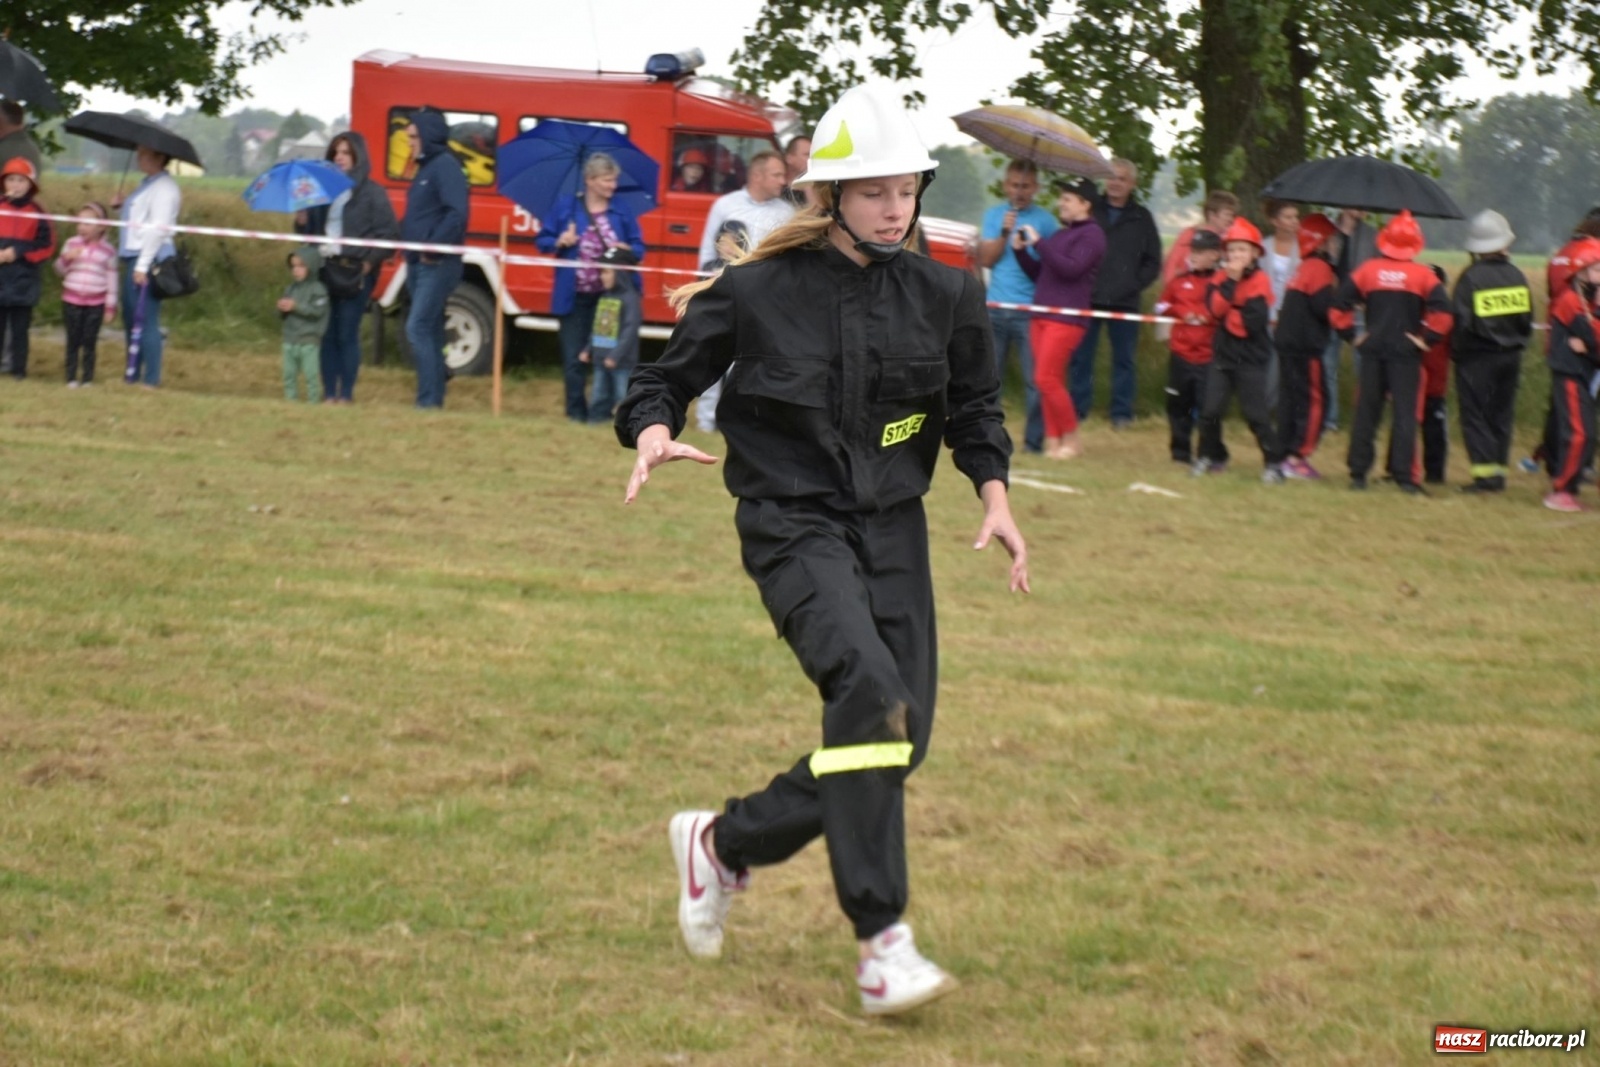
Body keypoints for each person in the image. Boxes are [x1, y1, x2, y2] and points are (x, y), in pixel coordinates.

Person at [614, 84, 1027, 1017]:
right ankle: (882, 942)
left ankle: (723, 845)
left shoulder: (950, 293)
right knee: (872, 700)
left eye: (907, 192)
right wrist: (649, 428)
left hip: (894, 529)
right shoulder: (754, 288)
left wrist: (995, 498)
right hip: (791, 522)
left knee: (897, 739)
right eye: (874, 191)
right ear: (830, 194)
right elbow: (662, 378)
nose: (895, 208)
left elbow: (975, 413)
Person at [1330, 211, 1453, 494]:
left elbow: (1338, 306)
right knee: (1405, 416)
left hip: (1372, 350)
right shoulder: (1423, 275)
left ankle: (1358, 474)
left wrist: (1352, 336)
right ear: (1415, 244)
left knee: (1366, 413)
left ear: (1384, 240)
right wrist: (1426, 340)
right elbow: (1444, 314)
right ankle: (1404, 478)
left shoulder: (1368, 270)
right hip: (1406, 353)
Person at [537, 153, 646, 422]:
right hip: (573, 297)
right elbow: (542, 240)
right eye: (607, 180)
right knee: (574, 358)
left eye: (614, 180)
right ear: (590, 180)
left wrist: (628, 250)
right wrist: (560, 240)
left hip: (609, 299)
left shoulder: (620, 210)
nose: (613, 186)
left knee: (606, 357)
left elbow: (640, 248)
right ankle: (575, 413)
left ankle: (602, 414)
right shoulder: (567, 207)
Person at [693, 150, 796, 432]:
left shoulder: (787, 214)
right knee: (716, 354)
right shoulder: (725, 206)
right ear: (757, 175)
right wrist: (706, 287)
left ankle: (748, 421)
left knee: (757, 361)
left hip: (768, 301)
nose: (783, 181)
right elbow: (707, 250)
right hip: (728, 294)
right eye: (776, 174)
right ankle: (706, 422)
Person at [298, 131, 399, 404]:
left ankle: (347, 394)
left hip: (356, 273)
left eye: (345, 153)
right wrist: (302, 218)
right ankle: (329, 393)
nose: (339, 158)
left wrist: (368, 263)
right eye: (336, 153)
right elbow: (309, 233)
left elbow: (388, 235)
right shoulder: (322, 190)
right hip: (325, 269)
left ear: (357, 156)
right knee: (327, 332)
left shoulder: (373, 193)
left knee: (347, 332)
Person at [1012, 176, 1104, 459]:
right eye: (1061, 198)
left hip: (1066, 319)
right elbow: (1043, 275)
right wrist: (1021, 253)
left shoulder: (1093, 235)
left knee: (1046, 378)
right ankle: (1054, 441)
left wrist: (1039, 244)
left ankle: (1072, 440)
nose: (1060, 204)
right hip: (1042, 312)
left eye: (1067, 199)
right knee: (1047, 381)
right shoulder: (1062, 235)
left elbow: (1071, 270)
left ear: (1085, 204)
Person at [1070, 158, 1161, 427]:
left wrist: (1133, 284)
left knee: (1124, 361)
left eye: (1122, 178)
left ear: (1132, 184)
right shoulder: (1089, 211)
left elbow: (1153, 261)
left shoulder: (1141, 217)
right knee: (1081, 358)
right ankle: (1078, 410)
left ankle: (1121, 413)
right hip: (1088, 297)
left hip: (1125, 302)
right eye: (1111, 177)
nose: (1115, 183)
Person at [1194, 218, 1286, 482]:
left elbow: (1250, 325)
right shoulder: (1221, 277)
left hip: (1251, 357)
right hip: (1223, 355)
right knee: (1210, 411)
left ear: (1255, 253)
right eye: (1232, 250)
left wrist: (1229, 308)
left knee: (1255, 415)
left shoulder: (1261, 281)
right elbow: (1214, 310)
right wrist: (1231, 287)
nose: (1235, 256)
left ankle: (1273, 463)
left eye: (1241, 250)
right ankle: (1208, 456)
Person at [978, 158, 1058, 454]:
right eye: (1014, 185)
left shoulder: (1047, 222)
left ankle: (1033, 443)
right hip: (995, 309)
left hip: (1030, 312)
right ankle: (990, 439)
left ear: (1036, 187)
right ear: (1005, 185)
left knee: (1034, 382)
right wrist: (1003, 233)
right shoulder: (994, 215)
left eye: (1025, 186)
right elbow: (985, 259)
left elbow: (1051, 265)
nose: (1019, 191)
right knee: (989, 381)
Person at [399, 108, 468, 409]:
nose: (409, 141)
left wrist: (433, 246)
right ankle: (437, 383)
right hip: (416, 262)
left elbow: (458, 214)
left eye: (413, 136)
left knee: (418, 327)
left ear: (428, 135)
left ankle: (428, 401)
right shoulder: (424, 168)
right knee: (432, 327)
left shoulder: (445, 167)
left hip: (435, 263)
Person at [1274, 212, 1340, 479]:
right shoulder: (1320, 269)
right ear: (1321, 242)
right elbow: (1324, 308)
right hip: (1306, 347)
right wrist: (1344, 303)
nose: (1335, 245)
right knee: (1316, 402)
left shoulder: (1303, 267)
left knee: (1290, 401)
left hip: (1288, 344)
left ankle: (1282, 453)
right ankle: (1298, 457)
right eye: (1332, 240)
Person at [1540, 236, 1600, 512]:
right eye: (1597, 269)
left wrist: (1587, 347)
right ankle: (1561, 491)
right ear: (1581, 272)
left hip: (1584, 374)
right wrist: (1589, 345)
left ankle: (1569, 488)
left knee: (1586, 434)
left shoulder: (1590, 303)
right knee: (1579, 433)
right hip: (1570, 375)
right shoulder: (1571, 301)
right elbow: (1593, 337)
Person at [1154, 227, 1222, 464]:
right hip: (1181, 354)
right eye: (1193, 250)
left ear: (1215, 255)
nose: (1194, 255)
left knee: (1208, 409)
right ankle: (1180, 454)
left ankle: (1210, 453)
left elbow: (1228, 309)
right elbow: (1160, 307)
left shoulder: (1221, 281)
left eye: (1201, 251)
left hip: (1209, 356)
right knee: (1177, 406)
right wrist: (1181, 311)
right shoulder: (1179, 281)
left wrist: (1206, 315)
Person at [116, 144, 181, 388]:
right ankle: (132, 371)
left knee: (146, 319)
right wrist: (123, 206)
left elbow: (158, 228)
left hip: (148, 258)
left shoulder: (165, 188)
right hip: (134, 255)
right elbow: (141, 218)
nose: (138, 158)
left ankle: (151, 377)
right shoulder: (148, 183)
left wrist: (142, 265)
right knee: (132, 317)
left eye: (144, 154)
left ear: (159, 157)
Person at [1323, 208, 1380, 431]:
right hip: (1331, 307)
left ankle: (1364, 420)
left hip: (1360, 309)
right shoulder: (1328, 232)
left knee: (1364, 368)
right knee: (1328, 366)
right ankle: (1330, 420)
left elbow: (1377, 270)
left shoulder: (1373, 236)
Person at [54, 202, 119, 387]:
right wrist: (66, 258)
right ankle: (71, 377)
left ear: (102, 226)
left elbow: (112, 281)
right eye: (79, 222)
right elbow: (58, 270)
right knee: (72, 339)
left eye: (88, 223)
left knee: (89, 341)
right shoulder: (70, 244)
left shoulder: (109, 251)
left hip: (95, 303)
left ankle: (88, 378)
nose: (82, 227)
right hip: (71, 300)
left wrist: (110, 306)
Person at [0, 157, 53, 380]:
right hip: (1, 279)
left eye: (21, 180)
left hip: (24, 280)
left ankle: (19, 370)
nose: (15, 185)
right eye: (11, 180)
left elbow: (46, 246)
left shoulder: (38, 212)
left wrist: (18, 253)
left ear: (30, 184)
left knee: (20, 330)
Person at [580, 247, 643, 425]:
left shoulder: (630, 299)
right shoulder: (604, 297)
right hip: (600, 358)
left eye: (606, 272)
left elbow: (630, 330)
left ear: (620, 274)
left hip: (621, 362)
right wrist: (588, 349)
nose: (602, 277)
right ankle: (595, 421)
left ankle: (629, 427)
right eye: (601, 272)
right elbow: (598, 327)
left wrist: (615, 355)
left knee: (622, 395)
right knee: (598, 394)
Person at [278, 246, 330, 403]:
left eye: (301, 266)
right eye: (293, 266)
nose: (296, 270)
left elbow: (317, 312)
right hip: (290, 339)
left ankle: (313, 401)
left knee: (311, 374)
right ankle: (290, 400)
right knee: (288, 374)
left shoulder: (319, 289)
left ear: (312, 266)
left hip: (309, 340)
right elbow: (284, 314)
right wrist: (282, 308)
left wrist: (296, 306)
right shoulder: (291, 289)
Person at [1160, 189, 1237, 285]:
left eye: (1233, 215)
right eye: (1227, 215)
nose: (1231, 219)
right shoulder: (1190, 235)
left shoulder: (1230, 240)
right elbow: (1172, 266)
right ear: (1212, 215)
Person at [782, 134, 813, 207]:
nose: (811, 159)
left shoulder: (818, 186)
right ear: (789, 158)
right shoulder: (777, 188)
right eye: (807, 154)